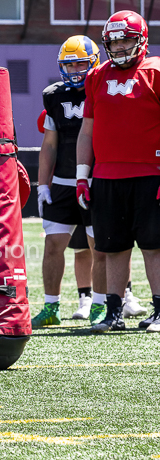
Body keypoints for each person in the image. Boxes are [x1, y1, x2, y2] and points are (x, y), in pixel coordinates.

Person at [76, 11, 160, 333]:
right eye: (114, 40)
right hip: (107, 176)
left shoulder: (155, 71)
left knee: (153, 245)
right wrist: (83, 175)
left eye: (126, 39)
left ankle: (159, 309)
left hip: (149, 172)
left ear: (141, 40)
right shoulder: (96, 76)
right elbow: (87, 131)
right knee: (111, 247)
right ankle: (113, 313)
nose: (120, 46)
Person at [31, 35, 108, 327]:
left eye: (80, 64)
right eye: (69, 64)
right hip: (63, 182)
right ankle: (51, 307)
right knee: (53, 246)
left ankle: (100, 304)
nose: (75, 70)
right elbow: (49, 144)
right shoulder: (53, 94)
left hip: (96, 180)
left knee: (98, 246)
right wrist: (43, 184)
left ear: (94, 63)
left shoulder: (102, 91)